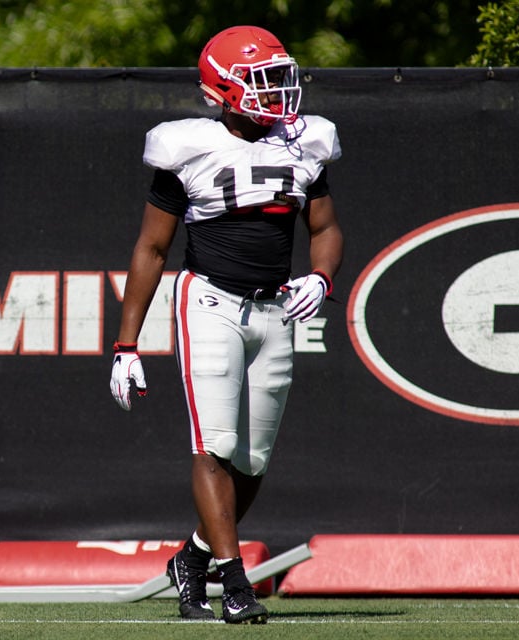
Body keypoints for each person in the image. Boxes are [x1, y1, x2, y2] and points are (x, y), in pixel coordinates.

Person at [109, 25, 343, 624]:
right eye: (261, 80)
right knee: (216, 445)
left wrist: (321, 277)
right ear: (220, 90)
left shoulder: (304, 142)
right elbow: (151, 249)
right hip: (209, 301)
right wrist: (126, 344)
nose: (278, 93)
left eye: (279, 76)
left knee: (255, 460)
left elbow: (324, 228)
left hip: (276, 307)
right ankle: (233, 584)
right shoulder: (186, 147)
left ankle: (191, 556)